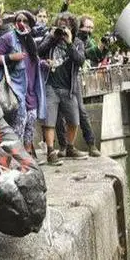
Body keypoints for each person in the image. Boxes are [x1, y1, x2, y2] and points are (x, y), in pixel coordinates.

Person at [0, 10, 46, 156]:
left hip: (31, 91)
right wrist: (11, 57)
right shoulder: (8, 38)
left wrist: (44, 63)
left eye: (25, 21)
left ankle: (27, 159)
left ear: (30, 26)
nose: (22, 24)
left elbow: (33, 62)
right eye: (19, 20)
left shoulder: (31, 41)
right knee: (18, 126)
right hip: (16, 90)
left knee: (30, 125)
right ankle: (15, 159)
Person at [37, 12, 87, 164]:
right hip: (51, 85)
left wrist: (70, 42)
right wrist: (52, 38)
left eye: (66, 24)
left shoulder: (77, 42)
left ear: (72, 26)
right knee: (49, 120)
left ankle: (70, 148)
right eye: (60, 24)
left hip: (69, 87)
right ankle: (51, 152)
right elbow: (39, 51)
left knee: (74, 120)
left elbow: (80, 61)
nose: (63, 27)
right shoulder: (51, 38)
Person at [55, 14, 106, 158]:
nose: (89, 30)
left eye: (91, 28)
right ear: (80, 25)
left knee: (82, 112)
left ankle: (91, 145)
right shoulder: (62, 35)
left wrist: (104, 47)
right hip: (58, 79)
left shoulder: (83, 41)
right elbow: (60, 19)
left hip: (73, 79)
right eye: (87, 27)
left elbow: (95, 55)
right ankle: (64, 146)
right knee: (59, 115)